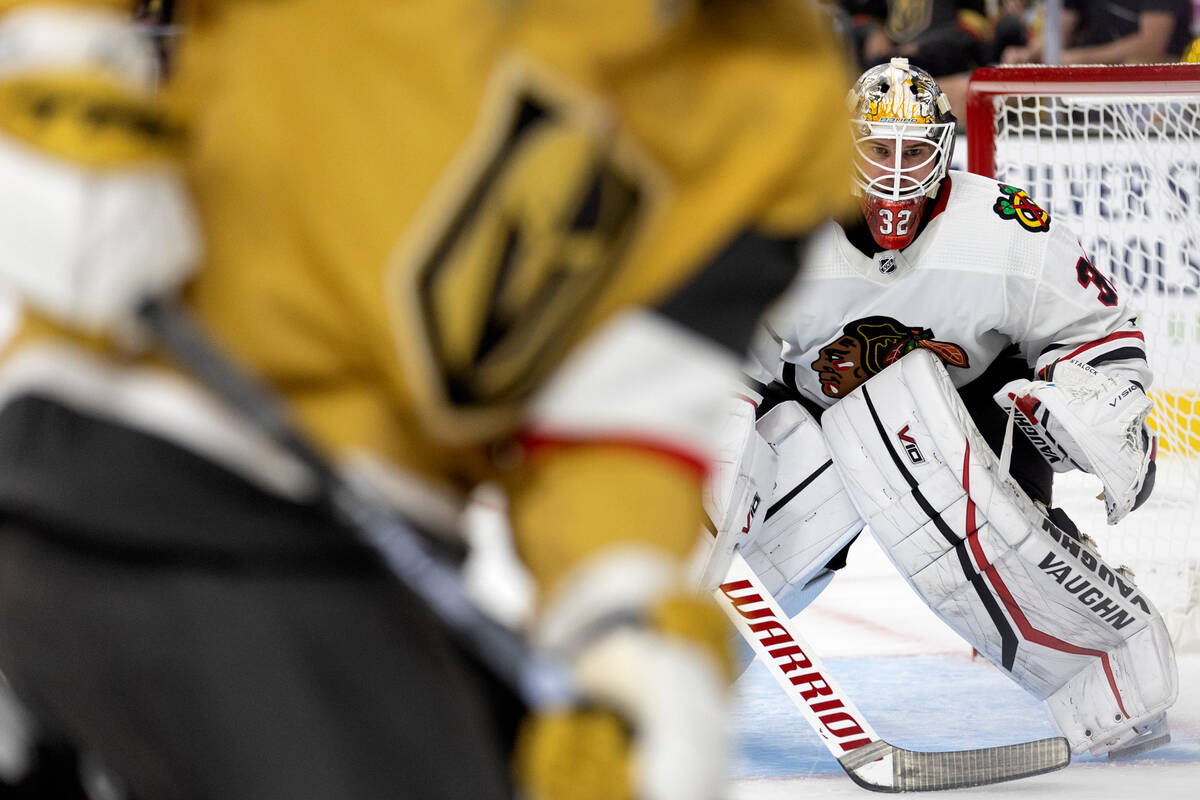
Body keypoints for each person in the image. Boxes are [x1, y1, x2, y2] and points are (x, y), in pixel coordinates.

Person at [0, 1, 856, 798]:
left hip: (356, 546)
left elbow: (618, 414)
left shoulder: (779, 103)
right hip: (87, 433)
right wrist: (53, 58)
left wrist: (620, 605)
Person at [707, 57, 1177, 760]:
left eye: (914, 150)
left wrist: (1096, 408)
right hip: (809, 425)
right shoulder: (781, 232)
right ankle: (671, 670)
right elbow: (718, 373)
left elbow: (1098, 329)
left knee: (993, 535)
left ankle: (1110, 666)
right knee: (742, 533)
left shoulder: (1003, 226)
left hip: (973, 418)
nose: (896, 172)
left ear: (945, 152)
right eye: (877, 148)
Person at [1002, 0, 1194, 63]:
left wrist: (1079, 59)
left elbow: (1150, 47)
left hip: (1149, 87)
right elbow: (1058, 34)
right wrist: (1027, 55)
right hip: (1083, 86)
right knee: (977, 87)